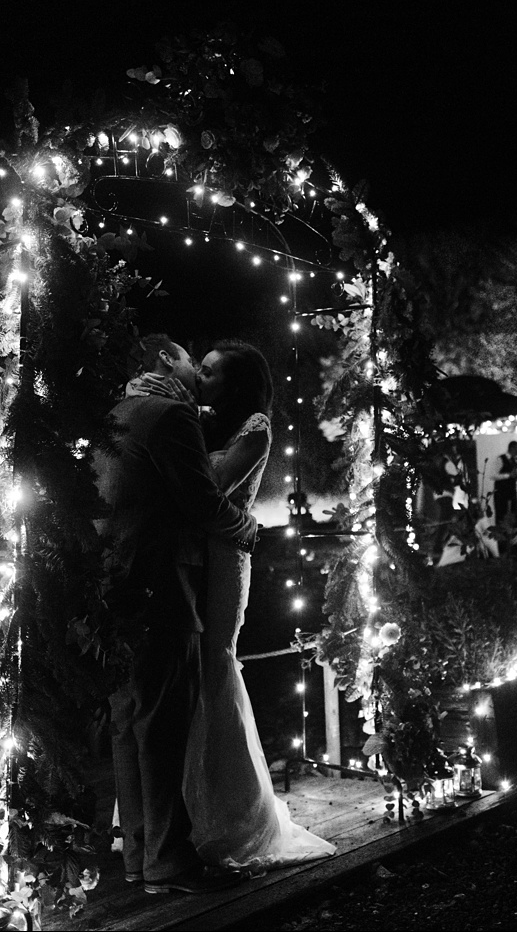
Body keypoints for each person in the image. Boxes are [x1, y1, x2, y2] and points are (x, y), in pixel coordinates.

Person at [92, 334, 258, 895]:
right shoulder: (167, 415)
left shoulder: (116, 409)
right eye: (192, 359)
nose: (195, 370)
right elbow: (200, 501)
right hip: (161, 581)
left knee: (127, 724)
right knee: (162, 726)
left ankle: (138, 856)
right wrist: (248, 530)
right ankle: (168, 862)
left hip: (111, 584)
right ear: (167, 360)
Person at [178, 339, 336, 870]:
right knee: (187, 671)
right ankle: (184, 809)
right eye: (199, 368)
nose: (199, 377)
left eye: (211, 372)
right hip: (189, 557)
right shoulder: (196, 420)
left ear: (236, 384)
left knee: (216, 663)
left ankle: (232, 815)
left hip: (224, 558)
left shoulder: (255, 428)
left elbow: (213, 489)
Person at [493, 441, 517, 523]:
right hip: (501, 493)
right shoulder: (500, 459)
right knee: (501, 516)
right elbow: (493, 475)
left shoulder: (514, 461)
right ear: (512, 448)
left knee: (513, 515)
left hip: (511, 493)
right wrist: (509, 475)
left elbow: (513, 475)